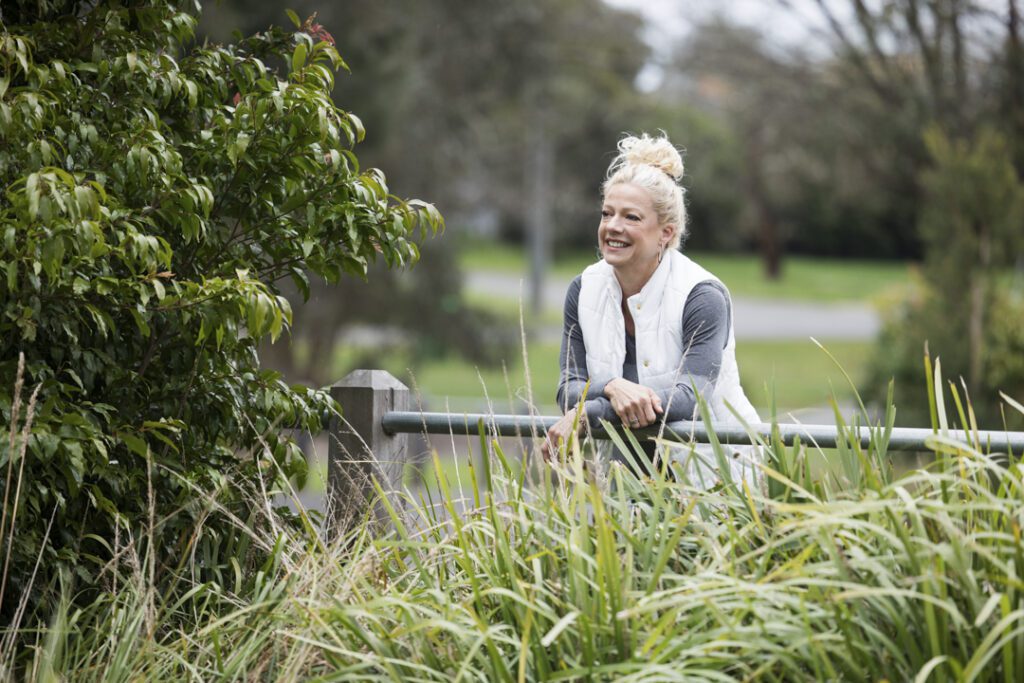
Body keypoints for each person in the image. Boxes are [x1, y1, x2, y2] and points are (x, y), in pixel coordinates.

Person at [541, 132, 760, 484]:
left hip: (714, 475)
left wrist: (589, 411)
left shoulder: (702, 295)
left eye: (631, 217)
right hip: (623, 478)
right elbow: (567, 387)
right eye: (607, 213)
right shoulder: (582, 290)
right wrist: (612, 385)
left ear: (666, 234)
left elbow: (688, 400)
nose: (613, 226)